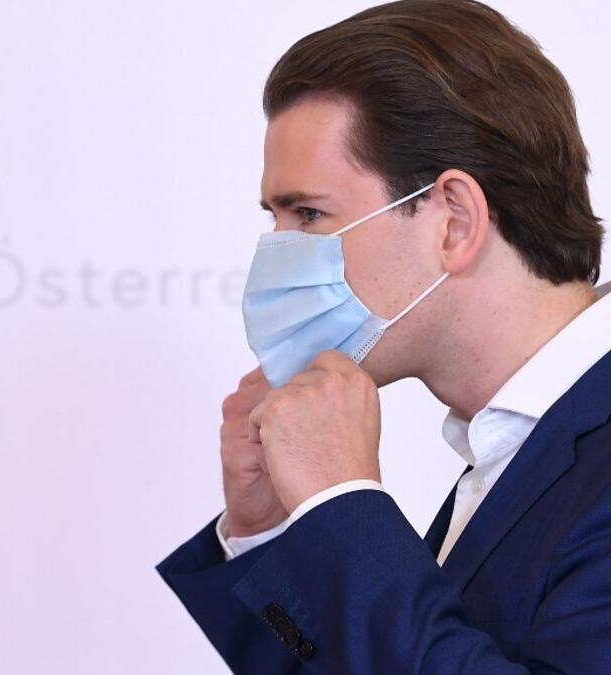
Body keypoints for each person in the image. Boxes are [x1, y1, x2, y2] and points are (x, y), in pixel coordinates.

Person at [154, 1, 611, 672]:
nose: (275, 254)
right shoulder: (510, 446)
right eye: (275, 218)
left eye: (308, 214)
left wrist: (342, 508)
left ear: (454, 221)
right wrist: (276, 530)